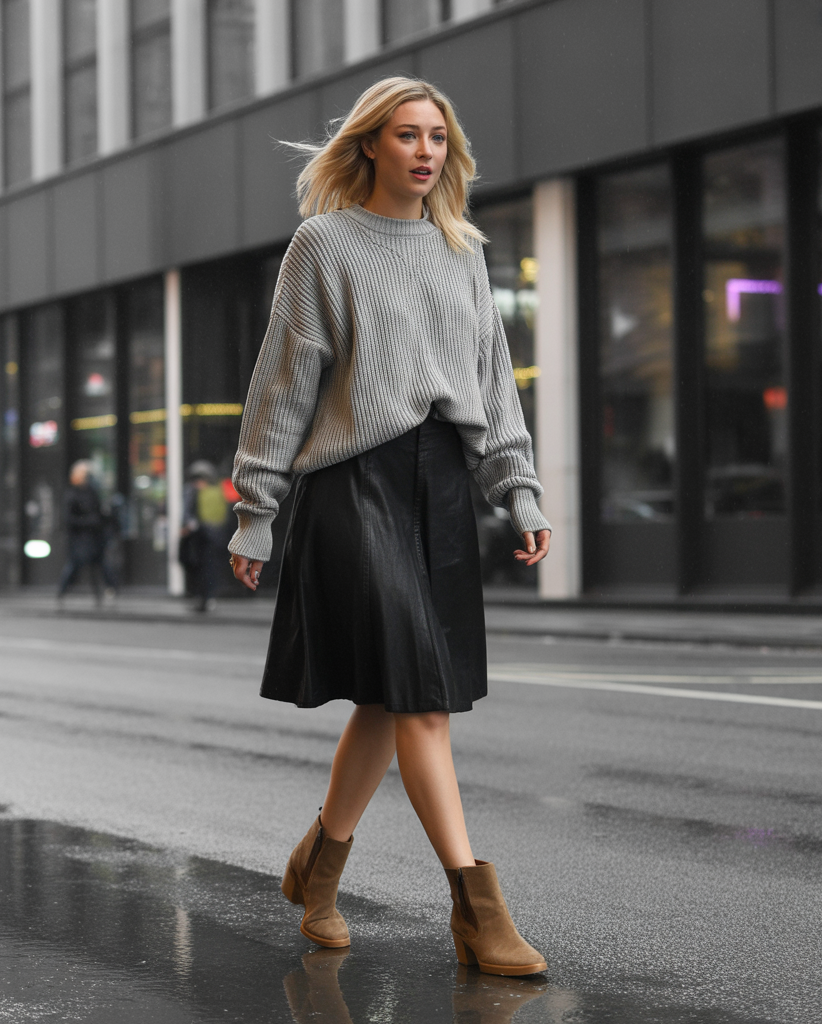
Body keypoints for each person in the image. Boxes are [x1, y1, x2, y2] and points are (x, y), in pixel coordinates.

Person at [227, 77, 551, 976]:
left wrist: (517, 489)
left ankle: (316, 870)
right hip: (354, 487)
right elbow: (283, 385)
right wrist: (257, 515)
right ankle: (476, 909)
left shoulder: (461, 249)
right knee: (422, 700)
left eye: (437, 138)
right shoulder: (322, 245)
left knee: (387, 698)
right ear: (369, 144)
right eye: (406, 135)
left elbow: (493, 380)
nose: (424, 152)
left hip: (442, 483)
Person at [57, 460, 118, 604]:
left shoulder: (92, 491)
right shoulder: (72, 494)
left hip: (95, 537)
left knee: (99, 565)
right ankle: (61, 593)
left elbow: (99, 512)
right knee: (74, 566)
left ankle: (104, 594)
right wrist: (89, 521)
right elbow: (69, 519)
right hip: (80, 539)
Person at [180, 460, 232, 613]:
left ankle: (205, 598)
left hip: (205, 539)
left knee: (206, 570)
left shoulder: (201, 492)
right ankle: (204, 597)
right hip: (212, 538)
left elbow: (190, 516)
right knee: (206, 569)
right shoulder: (219, 489)